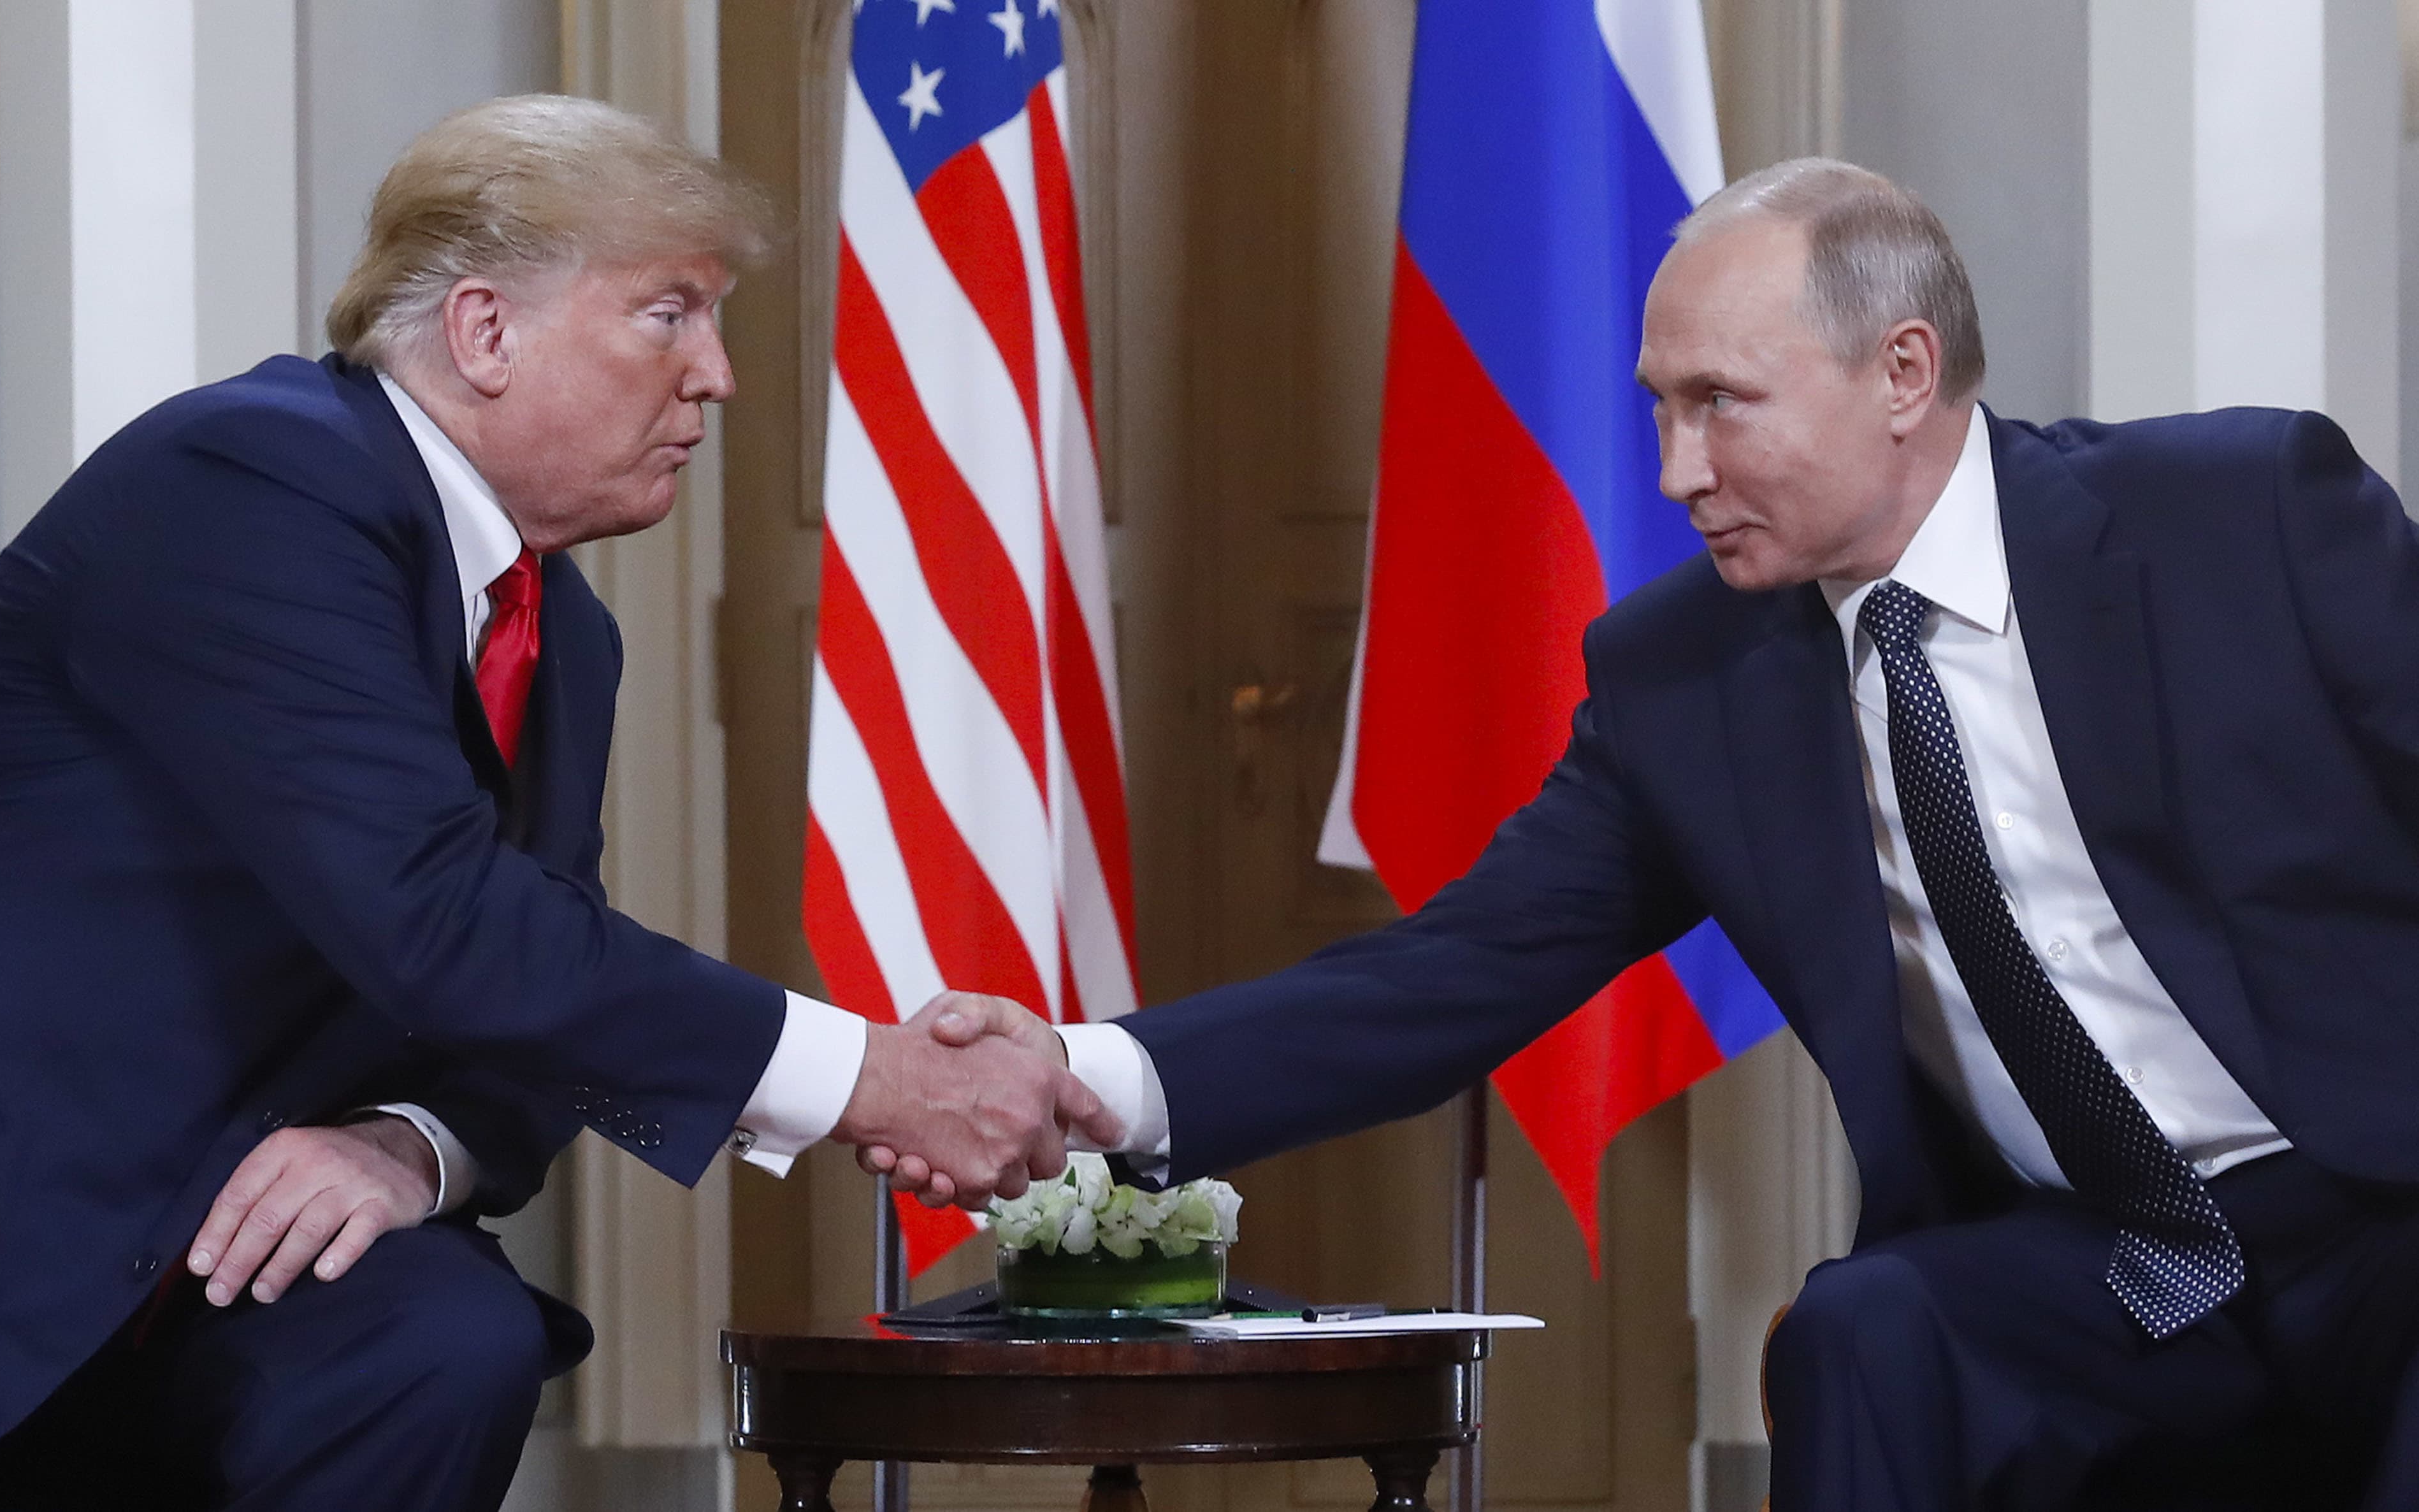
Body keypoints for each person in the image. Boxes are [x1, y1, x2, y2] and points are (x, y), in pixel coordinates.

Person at [882, 159, 2419, 1509]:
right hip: (2102, 1258)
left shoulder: (2239, 513)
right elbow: (1452, 975)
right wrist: (1084, 1073)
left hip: (2373, 1203)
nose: (1677, 472)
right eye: (1660, 410)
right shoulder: (1690, 675)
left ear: (1901, 369)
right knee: (1866, 1325)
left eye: (1721, 406)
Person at [0, 94, 1113, 1510]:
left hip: (225, 1223)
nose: (716, 374)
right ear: (484, 332)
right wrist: (876, 1078)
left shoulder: (561, 632)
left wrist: (413, 1143)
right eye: (670, 313)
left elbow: (533, 993)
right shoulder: (254, 476)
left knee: (444, 1338)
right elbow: (443, 920)